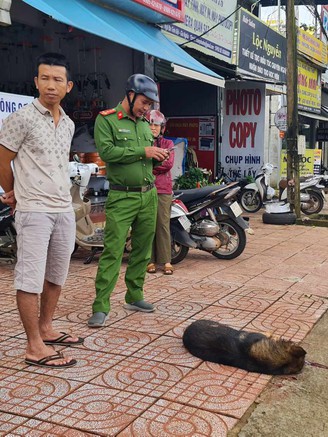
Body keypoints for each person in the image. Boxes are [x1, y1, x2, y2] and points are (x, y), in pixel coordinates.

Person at [0, 52, 82, 369]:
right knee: (29, 279)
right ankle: (34, 346)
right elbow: (3, 158)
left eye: (57, 79)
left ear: (68, 86)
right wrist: (12, 192)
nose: (50, 85)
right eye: (44, 78)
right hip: (33, 209)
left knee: (56, 274)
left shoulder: (70, 124)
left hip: (63, 208)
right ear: (36, 82)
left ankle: (46, 328)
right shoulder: (22, 118)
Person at [88, 74, 170, 328]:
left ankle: (135, 295)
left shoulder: (146, 125)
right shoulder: (107, 120)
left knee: (143, 250)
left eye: (150, 105)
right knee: (113, 250)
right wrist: (142, 151)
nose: (147, 108)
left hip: (149, 194)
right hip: (122, 196)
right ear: (131, 95)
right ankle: (101, 305)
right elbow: (107, 153)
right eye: (144, 102)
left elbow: (146, 158)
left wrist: (158, 156)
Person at [146, 110, 174, 275]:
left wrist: (150, 164)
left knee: (163, 225)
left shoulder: (168, 144)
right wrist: (156, 161)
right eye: (150, 124)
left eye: (156, 125)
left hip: (163, 189)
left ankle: (166, 261)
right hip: (146, 188)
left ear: (162, 127)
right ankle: (149, 260)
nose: (153, 127)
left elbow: (168, 164)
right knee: (148, 225)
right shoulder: (143, 142)